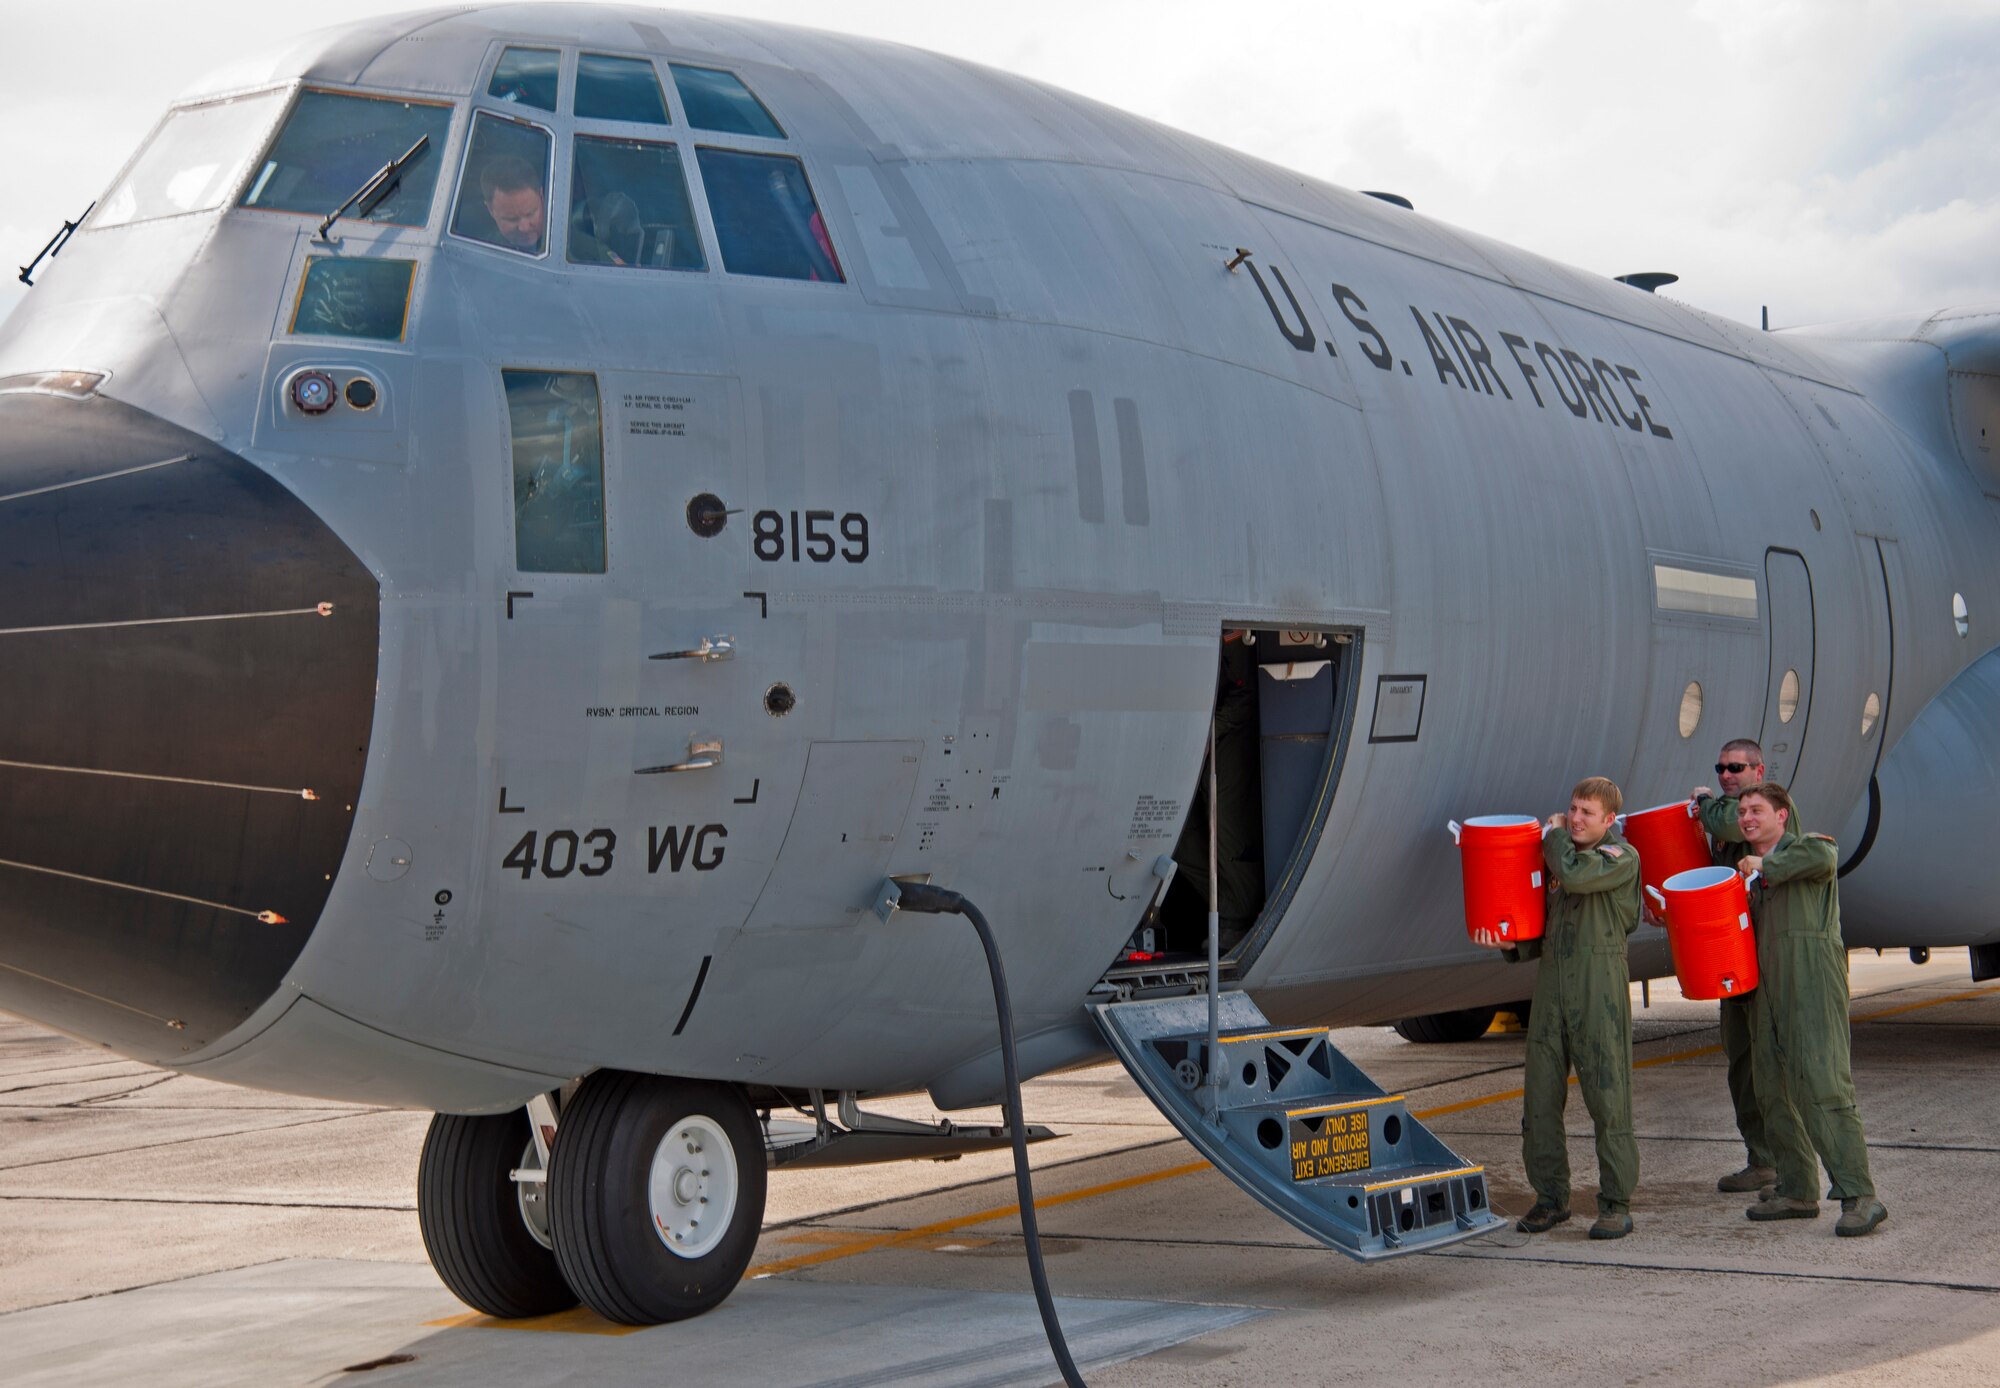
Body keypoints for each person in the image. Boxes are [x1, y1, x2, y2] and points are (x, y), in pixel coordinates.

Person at [1473, 776, 1641, 1239]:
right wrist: (1510, 944)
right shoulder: (1564, 862)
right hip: (1553, 989)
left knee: (1608, 1101)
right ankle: (1551, 1198)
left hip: (1599, 989)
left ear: (1609, 820)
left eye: (1586, 813)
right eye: (1572, 809)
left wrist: (1551, 836)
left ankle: (1615, 1203)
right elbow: (1545, 931)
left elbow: (1577, 876)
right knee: (1540, 1102)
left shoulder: (1618, 858)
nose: (1575, 819)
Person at [1731, 785, 1887, 1236]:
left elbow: (1823, 861)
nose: (1746, 817)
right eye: (1742, 811)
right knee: (1772, 1090)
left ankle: (1860, 1195)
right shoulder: (1750, 878)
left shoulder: (1810, 847)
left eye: (1756, 809)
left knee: (1823, 1086)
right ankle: (1797, 1189)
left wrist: (1765, 864)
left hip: (1812, 985)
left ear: (1782, 815)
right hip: (1768, 991)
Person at [1688, 739, 1792, 1195]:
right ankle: (1762, 1160)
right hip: (1733, 962)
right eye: (1721, 767)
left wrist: (1705, 804)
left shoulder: (1761, 812)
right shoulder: (1729, 831)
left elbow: (1727, 822)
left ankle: (1791, 1167)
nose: (1727, 774)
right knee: (1743, 1063)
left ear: (1759, 769)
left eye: (1736, 767)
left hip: (1768, 961)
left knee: (1772, 1067)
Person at [480, 156, 549, 254]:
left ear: (542, 198)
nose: (524, 228)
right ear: (490, 210)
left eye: (530, 214)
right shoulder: (483, 252)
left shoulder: (576, 247)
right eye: (512, 219)